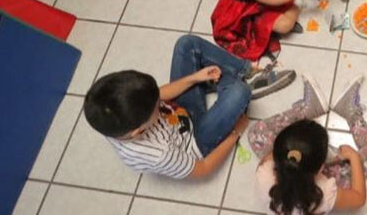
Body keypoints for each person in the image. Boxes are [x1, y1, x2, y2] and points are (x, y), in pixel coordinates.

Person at [83, 35, 294, 179]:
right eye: (157, 106)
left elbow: (160, 94)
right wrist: (235, 133)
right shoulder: (159, 154)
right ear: (138, 131)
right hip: (195, 140)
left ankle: (245, 71)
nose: (159, 101)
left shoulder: (118, 113)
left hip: (179, 114)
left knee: (186, 44)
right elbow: (203, 168)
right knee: (239, 93)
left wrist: (195, 77)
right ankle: (237, 88)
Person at [247, 75, 367, 215]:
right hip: (314, 185)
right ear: (321, 168)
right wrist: (353, 157)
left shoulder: (264, 172)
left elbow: (274, 155)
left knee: (255, 132)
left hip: (294, 174)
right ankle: (351, 114)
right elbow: (359, 199)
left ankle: (308, 109)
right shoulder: (324, 193)